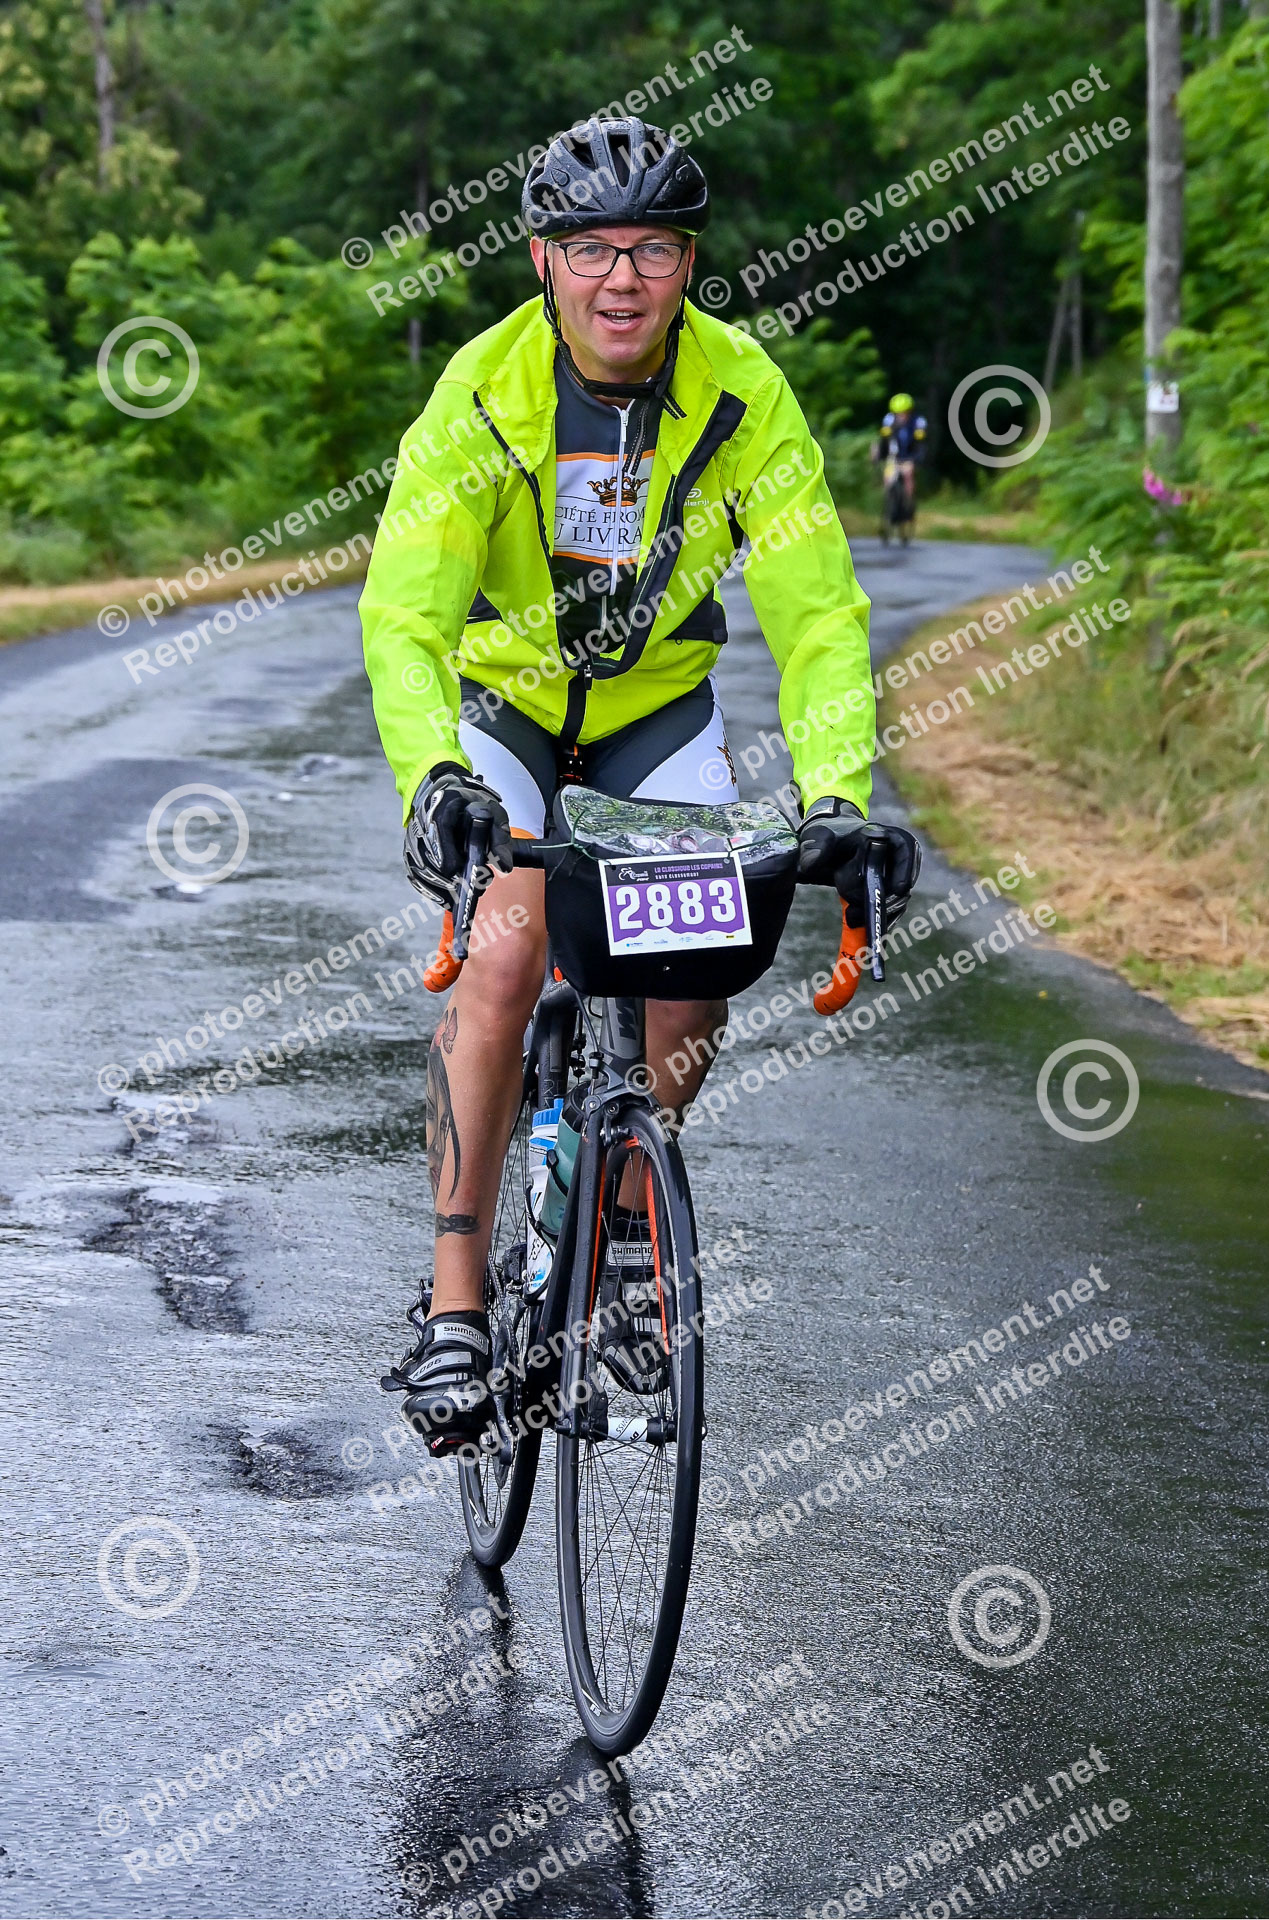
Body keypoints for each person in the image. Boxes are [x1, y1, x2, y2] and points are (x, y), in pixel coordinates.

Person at [359, 116, 919, 1449]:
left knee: (693, 970)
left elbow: (819, 616)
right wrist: (435, 774)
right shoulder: (480, 396)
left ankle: (618, 1231)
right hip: (501, 714)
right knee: (505, 953)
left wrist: (836, 793)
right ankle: (454, 1306)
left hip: (653, 718)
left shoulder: (743, 394)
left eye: (654, 250)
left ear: (687, 266)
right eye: (593, 250)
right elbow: (406, 616)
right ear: (543, 261)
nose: (623, 279)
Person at [874, 391, 927, 514]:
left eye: (905, 413)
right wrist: (879, 455)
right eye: (899, 413)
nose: (902, 416)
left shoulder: (918, 422)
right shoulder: (889, 420)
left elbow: (921, 444)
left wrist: (918, 458)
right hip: (893, 457)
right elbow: (884, 441)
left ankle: (909, 502)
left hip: (910, 457)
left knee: (908, 474)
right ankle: (889, 502)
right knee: (888, 477)